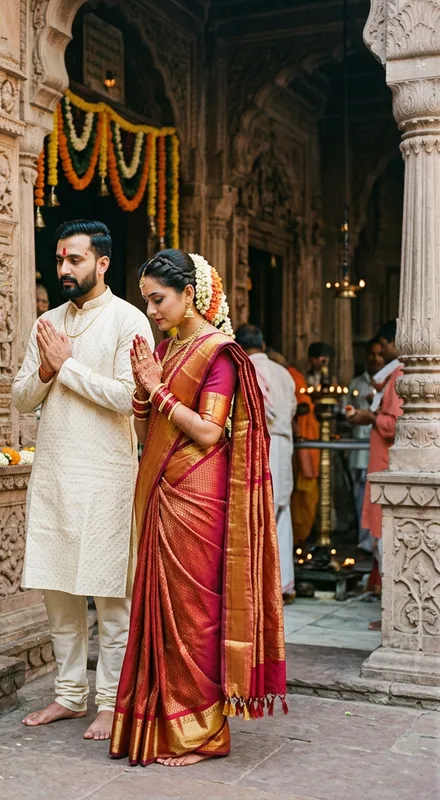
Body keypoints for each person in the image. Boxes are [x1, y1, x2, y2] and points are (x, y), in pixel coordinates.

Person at [110, 250, 287, 768]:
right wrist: (145, 393)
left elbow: (210, 430)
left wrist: (157, 390)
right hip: (162, 486)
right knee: (163, 610)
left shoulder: (219, 353)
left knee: (195, 611)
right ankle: (164, 722)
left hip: (198, 491)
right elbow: (148, 432)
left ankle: (206, 732)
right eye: (146, 300)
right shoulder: (164, 349)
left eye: (158, 299)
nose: (152, 310)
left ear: (190, 294)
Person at [13, 220, 154, 741]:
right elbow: (22, 397)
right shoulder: (47, 322)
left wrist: (66, 365)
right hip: (54, 475)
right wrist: (48, 371)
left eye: (74, 260)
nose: (64, 269)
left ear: (103, 263)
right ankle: (70, 696)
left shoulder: (130, 321)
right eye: (59, 260)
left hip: (108, 478)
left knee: (111, 600)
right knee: (59, 595)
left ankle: (112, 702)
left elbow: (128, 397)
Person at [345, 320, 403, 630]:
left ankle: (395, 615)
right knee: (383, 542)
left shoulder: (403, 375)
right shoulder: (394, 376)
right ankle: (392, 612)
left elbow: (398, 425)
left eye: (384, 344)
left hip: (388, 467)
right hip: (381, 467)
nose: (380, 350)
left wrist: (371, 417)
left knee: (388, 542)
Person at [237, 324, 297, 602]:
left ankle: (260, 585)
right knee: (281, 512)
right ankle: (283, 583)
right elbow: (293, 408)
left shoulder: (246, 368)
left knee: (259, 513)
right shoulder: (283, 373)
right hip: (284, 445)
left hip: (264, 443)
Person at [348, 339, 385, 554]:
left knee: (377, 498)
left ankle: (376, 542)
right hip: (358, 449)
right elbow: (347, 407)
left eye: (379, 354)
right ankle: (364, 543)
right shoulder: (357, 383)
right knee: (360, 497)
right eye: (371, 354)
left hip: (378, 449)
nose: (376, 358)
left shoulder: (391, 382)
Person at [289, 349, 322, 547]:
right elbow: (300, 406)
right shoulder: (292, 376)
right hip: (300, 441)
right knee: (301, 494)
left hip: (309, 439)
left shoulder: (296, 378)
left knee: (307, 494)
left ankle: (301, 539)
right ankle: (297, 539)